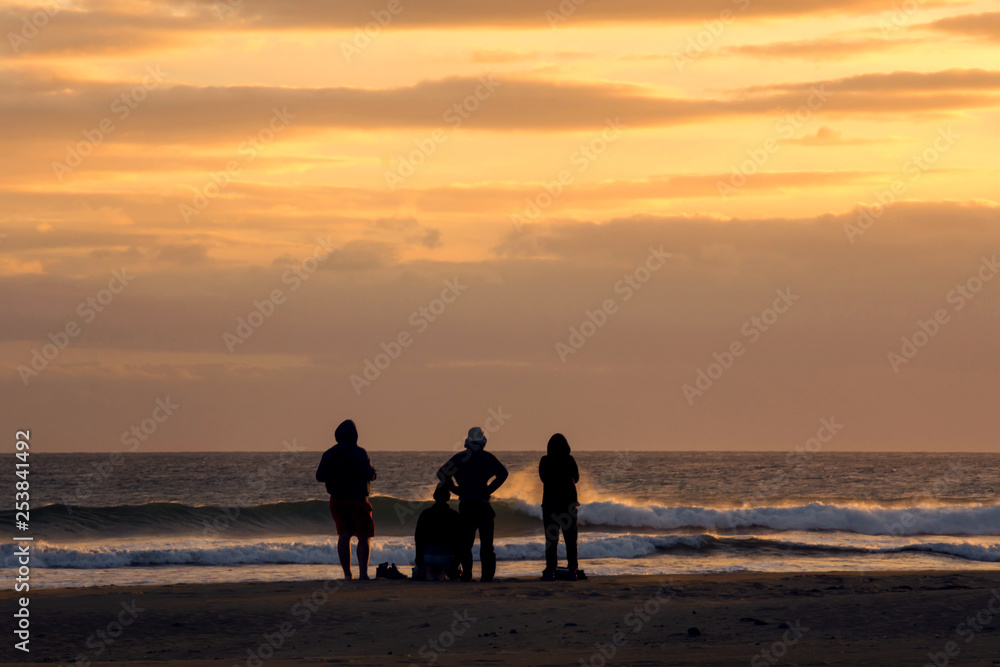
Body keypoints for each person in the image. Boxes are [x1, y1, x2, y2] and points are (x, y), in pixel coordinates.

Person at [437, 426, 508, 582]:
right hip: (483, 505)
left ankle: (467, 575)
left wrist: (455, 490)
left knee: (466, 543)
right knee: (487, 545)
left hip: (467, 505)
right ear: (483, 441)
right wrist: (489, 489)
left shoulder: (459, 458)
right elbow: (504, 474)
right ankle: (487, 577)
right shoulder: (488, 458)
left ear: (467, 441)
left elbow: (441, 473)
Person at [315, 419, 377, 580]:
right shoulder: (359, 452)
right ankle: (363, 574)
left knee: (344, 536)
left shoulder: (329, 454)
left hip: (337, 501)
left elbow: (319, 477)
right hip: (358, 500)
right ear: (355, 436)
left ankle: (347, 574)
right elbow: (369, 475)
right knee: (364, 536)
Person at [538, 433, 580, 581]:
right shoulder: (569, 460)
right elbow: (577, 478)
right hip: (569, 505)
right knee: (570, 540)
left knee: (551, 540)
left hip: (550, 505)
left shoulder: (545, 460)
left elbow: (543, 478)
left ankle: (550, 571)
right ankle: (572, 571)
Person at [413, 485, 464, 581]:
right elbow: (459, 540)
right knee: (456, 571)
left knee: (418, 572)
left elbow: (418, 538)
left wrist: (418, 558)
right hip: (446, 557)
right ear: (448, 498)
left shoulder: (425, 513)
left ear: (434, 496)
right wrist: (456, 562)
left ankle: (427, 570)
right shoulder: (454, 515)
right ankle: (446, 570)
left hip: (428, 557)